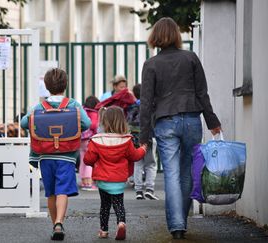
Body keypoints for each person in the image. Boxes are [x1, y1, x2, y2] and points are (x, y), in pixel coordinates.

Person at [139, 17, 222, 240]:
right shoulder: (191, 58)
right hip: (192, 120)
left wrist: (143, 137)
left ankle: (177, 227)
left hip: (166, 122)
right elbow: (202, 94)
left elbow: (145, 103)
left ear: (155, 36)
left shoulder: (151, 65)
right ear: (176, 35)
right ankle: (181, 222)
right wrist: (212, 122)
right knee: (187, 173)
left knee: (172, 174)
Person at [21, 68, 91, 241]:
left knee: (51, 192)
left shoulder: (39, 106)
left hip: (45, 154)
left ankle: (55, 225)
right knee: (63, 191)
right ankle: (59, 222)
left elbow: (24, 122)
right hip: (66, 154)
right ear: (65, 85)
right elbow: (87, 123)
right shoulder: (73, 104)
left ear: (46, 86)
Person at [83, 106, 147, 240]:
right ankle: (121, 223)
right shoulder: (126, 140)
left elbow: (88, 159)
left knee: (104, 205)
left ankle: (104, 230)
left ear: (104, 121)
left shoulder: (97, 140)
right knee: (119, 204)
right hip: (118, 179)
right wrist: (143, 149)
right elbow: (134, 156)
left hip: (103, 179)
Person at [128, 84, 159, 200]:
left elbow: (129, 122)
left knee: (138, 164)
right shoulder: (151, 106)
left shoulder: (132, 108)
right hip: (150, 137)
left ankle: (139, 191)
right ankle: (150, 189)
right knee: (151, 164)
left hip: (135, 139)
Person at [79, 95, 100, 191]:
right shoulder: (94, 113)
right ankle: (89, 182)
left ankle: (83, 181)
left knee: (83, 160)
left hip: (80, 138)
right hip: (89, 139)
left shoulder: (82, 111)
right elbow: (94, 125)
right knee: (90, 160)